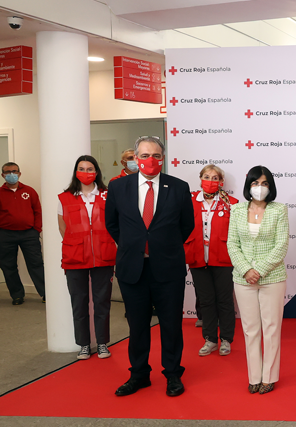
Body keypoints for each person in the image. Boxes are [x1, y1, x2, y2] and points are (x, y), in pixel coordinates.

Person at [105, 136, 194, 397]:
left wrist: (162, 246)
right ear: (135, 158)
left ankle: (173, 374)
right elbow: (112, 224)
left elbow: (186, 225)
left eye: (155, 155)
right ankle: (140, 374)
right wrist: (134, 245)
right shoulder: (119, 187)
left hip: (168, 267)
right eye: (143, 156)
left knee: (170, 323)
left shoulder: (178, 187)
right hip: (133, 268)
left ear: (162, 158)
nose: (149, 160)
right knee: (138, 324)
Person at [226, 166, 289, 394]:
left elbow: (281, 245)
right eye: (255, 183)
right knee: (250, 329)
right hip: (243, 279)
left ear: (270, 187)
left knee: (271, 328)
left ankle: (269, 377)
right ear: (248, 186)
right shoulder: (236, 209)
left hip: (272, 277)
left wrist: (259, 270)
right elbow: (232, 243)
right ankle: (254, 377)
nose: (259, 188)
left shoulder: (279, 210)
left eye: (264, 183)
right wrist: (245, 269)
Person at [57, 156, 116, 360]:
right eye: (81, 168)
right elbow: (62, 226)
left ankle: (102, 343)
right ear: (76, 172)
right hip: (75, 258)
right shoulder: (65, 197)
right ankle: (83, 344)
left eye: (90, 168)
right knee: (79, 302)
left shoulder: (109, 195)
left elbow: (115, 223)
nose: (86, 172)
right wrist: (76, 244)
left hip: (103, 256)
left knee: (102, 302)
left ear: (97, 172)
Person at [185, 164, 238, 357]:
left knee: (224, 301)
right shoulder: (189, 201)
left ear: (221, 182)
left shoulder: (231, 203)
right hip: (198, 258)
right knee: (206, 301)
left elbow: (237, 233)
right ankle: (210, 339)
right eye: (206, 177)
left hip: (223, 259)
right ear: (200, 179)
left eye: (215, 178)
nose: (210, 181)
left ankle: (226, 339)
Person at [0, 162, 45, 306]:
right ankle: (17, 295)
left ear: (19, 173)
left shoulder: (30, 191)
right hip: (6, 235)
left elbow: (37, 210)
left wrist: (36, 229)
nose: (11, 174)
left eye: (14, 171)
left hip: (29, 234)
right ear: (3, 175)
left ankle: (45, 293)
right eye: (8, 172)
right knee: (8, 266)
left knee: (36, 264)